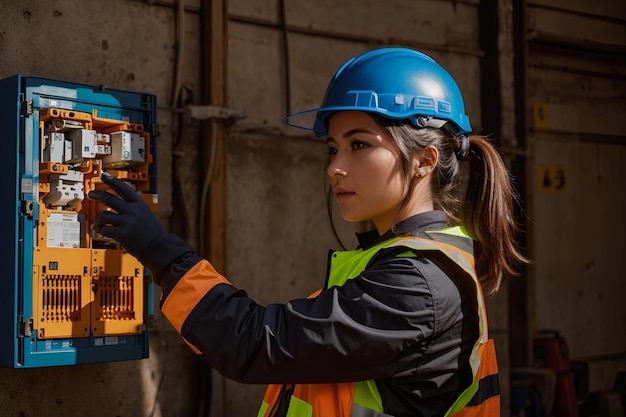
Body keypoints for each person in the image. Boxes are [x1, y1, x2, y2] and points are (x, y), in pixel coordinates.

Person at [89, 47, 527, 417]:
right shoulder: (413, 261)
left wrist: (159, 250)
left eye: (359, 145)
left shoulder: (417, 286)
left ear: (425, 161)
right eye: (333, 148)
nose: (335, 167)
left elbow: (254, 343)